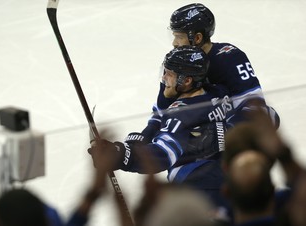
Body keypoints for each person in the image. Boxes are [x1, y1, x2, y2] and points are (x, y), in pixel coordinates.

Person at [88, 46, 232, 214]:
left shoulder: (180, 115)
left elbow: (162, 155)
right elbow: (162, 114)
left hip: (198, 191)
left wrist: (120, 154)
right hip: (229, 181)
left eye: (169, 74)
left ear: (186, 81)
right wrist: (146, 135)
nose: (164, 78)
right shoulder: (218, 93)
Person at [143, 3, 279, 140]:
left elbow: (255, 107)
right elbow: (161, 113)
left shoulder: (230, 58)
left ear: (197, 38)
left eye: (179, 37)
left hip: (230, 134)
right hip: (200, 130)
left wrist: (221, 136)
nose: (174, 43)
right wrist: (143, 139)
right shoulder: (177, 62)